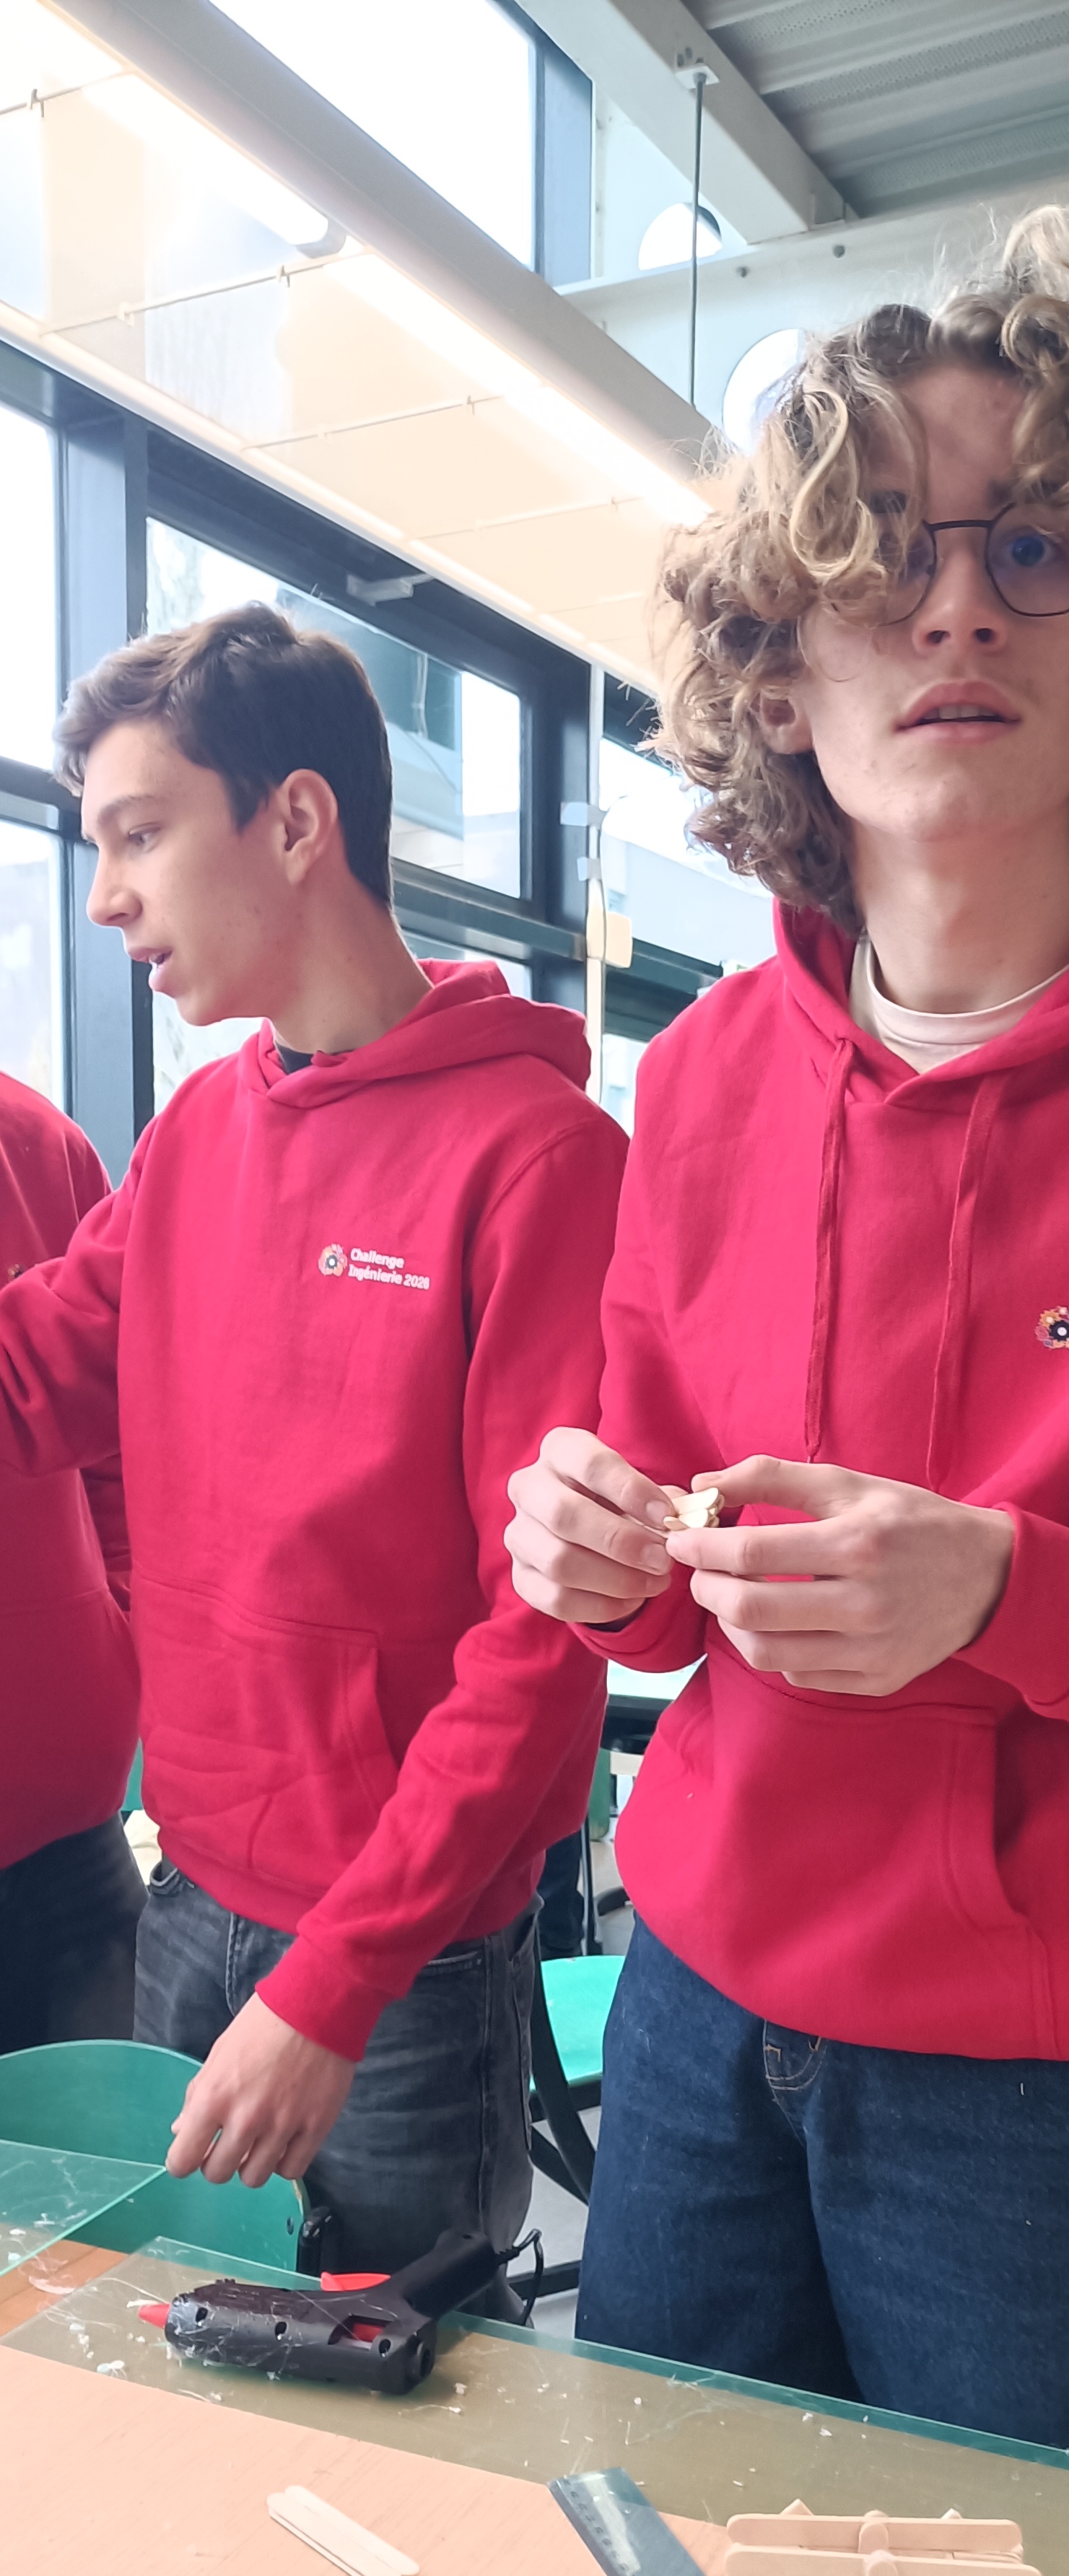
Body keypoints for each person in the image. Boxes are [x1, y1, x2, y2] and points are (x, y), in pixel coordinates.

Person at [505, 211, 1069, 2483]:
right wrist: (594, 1555)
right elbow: (666, 1574)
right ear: (780, 679)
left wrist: (1014, 1595)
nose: (955, 610)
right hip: (698, 2015)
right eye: (878, 559)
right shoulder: (703, 1077)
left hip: (1065, 2101)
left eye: (1032, 547)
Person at [0, 603, 625, 2273]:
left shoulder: (540, 1158)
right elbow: (33, 1373)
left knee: (385, 2376)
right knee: (163, 2358)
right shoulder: (199, 1131)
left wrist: (336, 1983)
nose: (103, 894)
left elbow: (543, 1637)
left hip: (397, 1961)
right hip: (183, 1901)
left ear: (293, 821)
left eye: (139, 833)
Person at [0, 1073, 141, 2051]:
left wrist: (120, 1627)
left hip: (66, 1822)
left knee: (119, 2139)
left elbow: (121, 1433)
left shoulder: (37, 1142)